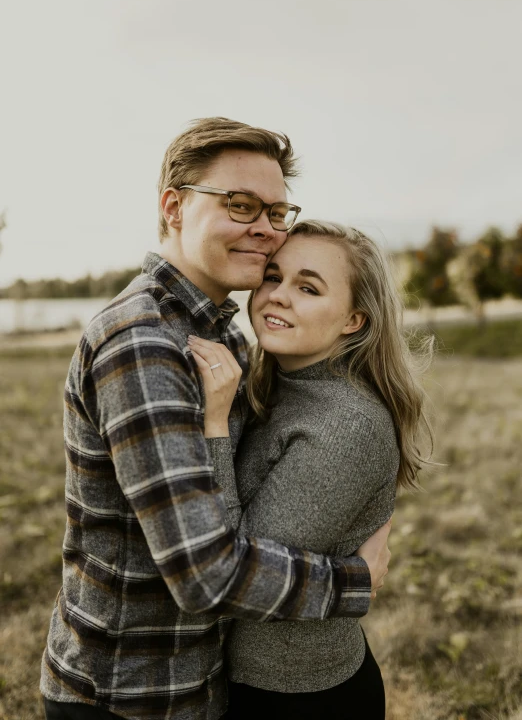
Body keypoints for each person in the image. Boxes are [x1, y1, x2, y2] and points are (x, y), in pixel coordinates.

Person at [40, 118, 391, 720]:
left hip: (194, 681)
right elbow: (206, 578)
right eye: (240, 204)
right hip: (133, 692)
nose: (265, 229)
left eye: (276, 212)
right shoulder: (145, 345)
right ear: (174, 207)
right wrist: (351, 583)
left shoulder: (221, 328)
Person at [189, 220, 433, 719]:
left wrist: (215, 425)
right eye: (273, 277)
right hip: (251, 683)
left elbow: (239, 577)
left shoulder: (346, 423)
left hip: (299, 695)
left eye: (308, 287)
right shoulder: (281, 385)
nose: (278, 296)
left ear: (353, 321)